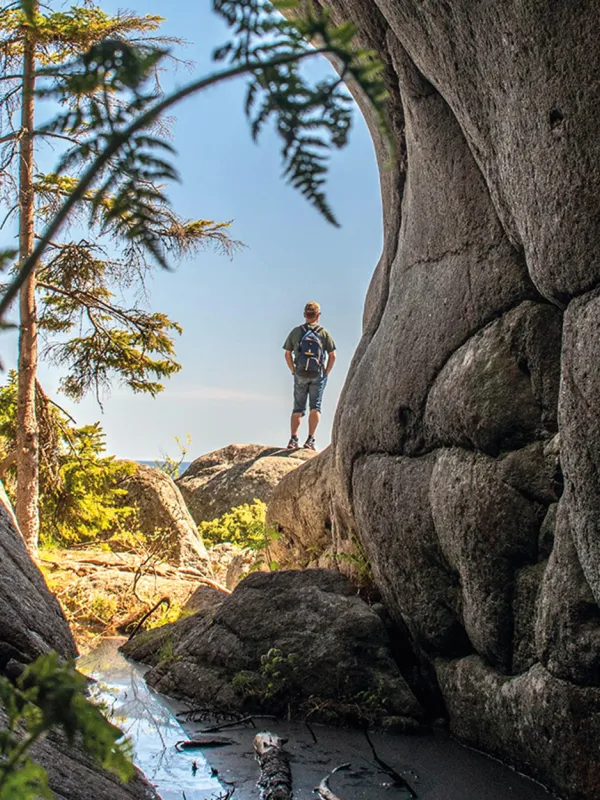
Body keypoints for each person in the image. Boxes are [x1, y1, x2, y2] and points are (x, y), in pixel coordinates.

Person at [283, 301, 336, 451]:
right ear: (318, 315)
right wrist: (326, 372)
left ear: (305, 315)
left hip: (300, 373)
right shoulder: (323, 333)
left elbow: (287, 353)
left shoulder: (296, 332)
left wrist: (293, 370)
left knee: (298, 408)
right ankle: (310, 440)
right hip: (317, 374)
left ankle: (293, 439)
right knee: (315, 407)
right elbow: (333, 355)